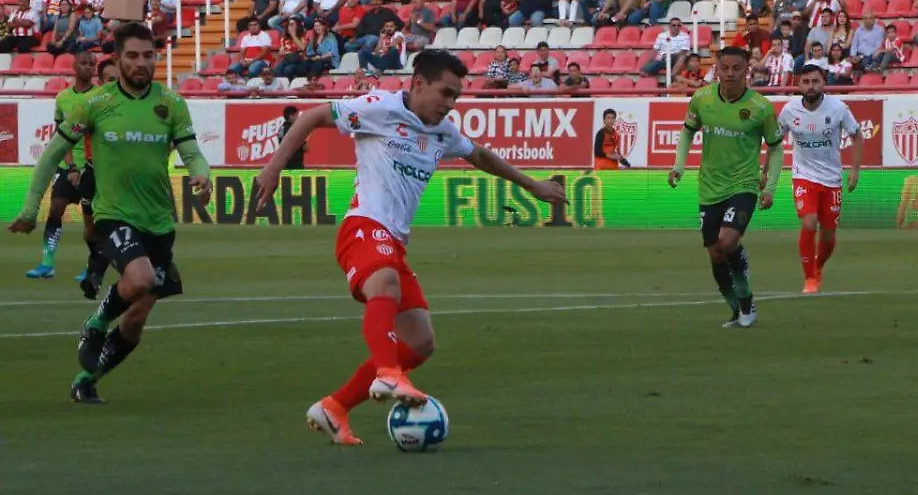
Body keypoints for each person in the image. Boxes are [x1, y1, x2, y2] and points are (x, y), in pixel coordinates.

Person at [252, 50, 567, 445]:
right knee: (384, 284)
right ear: (418, 83)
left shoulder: (443, 131)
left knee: (420, 342)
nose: (450, 104)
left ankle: (335, 407)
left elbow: (480, 155)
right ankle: (387, 373)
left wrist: (533, 185)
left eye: (456, 96)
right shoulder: (378, 108)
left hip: (393, 242)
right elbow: (314, 117)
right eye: (445, 93)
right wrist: (275, 165)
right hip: (363, 226)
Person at [7, 23, 213, 404]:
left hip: (159, 222)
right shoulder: (96, 104)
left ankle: (88, 378)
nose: (141, 63)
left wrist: (202, 173)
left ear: (156, 57)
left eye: (148, 55)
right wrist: (30, 207)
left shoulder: (171, 103)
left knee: (137, 317)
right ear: (117, 60)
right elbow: (52, 154)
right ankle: (96, 323)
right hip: (113, 214)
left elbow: (191, 151)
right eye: (132, 56)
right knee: (140, 278)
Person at [667, 46, 784, 328]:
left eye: (737, 68)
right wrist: (678, 166)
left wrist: (770, 188)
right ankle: (738, 306)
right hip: (709, 187)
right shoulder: (702, 98)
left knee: (728, 241)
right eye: (724, 68)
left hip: (744, 184)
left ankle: (744, 293)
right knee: (715, 252)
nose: (730, 74)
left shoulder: (760, 108)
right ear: (716, 69)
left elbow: (776, 147)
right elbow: (687, 132)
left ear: (747, 70)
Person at [778, 64, 863, 295]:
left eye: (815, 81)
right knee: (809, 222)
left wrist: (855, 170)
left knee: (828, 232)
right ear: (798, 85)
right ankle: (809, 279)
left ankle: (818, 268)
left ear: (823, 83)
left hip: (832, 178)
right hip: (803, 175)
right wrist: (766, 169)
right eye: (805, 82)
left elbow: (857, 135)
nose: (811, 86)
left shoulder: (838, 108)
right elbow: (775, 139)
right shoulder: (789, 110)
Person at [24, 51, 102, 283]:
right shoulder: (62, 98)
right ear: (74, 67)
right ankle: (47, 264)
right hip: (68, 165)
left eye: (92, 64)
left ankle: (92, 266)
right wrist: (70, 168)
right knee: (56, 207)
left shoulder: (101, 97)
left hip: (93, 165)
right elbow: (62, 136)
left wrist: (86, 166)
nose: (89, 67)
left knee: (94, 219)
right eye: (85, 63)